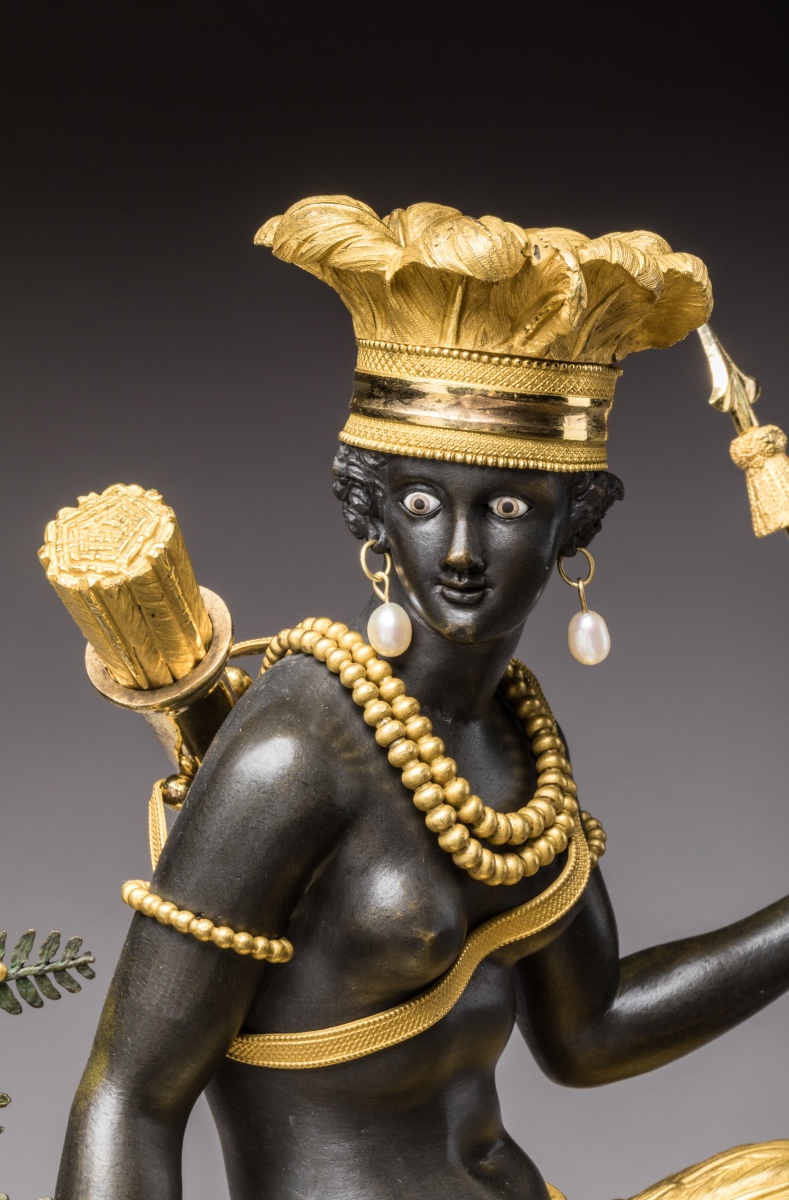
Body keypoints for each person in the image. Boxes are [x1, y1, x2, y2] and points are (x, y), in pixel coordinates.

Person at [55, 198, 789, 1199]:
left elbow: (590, 1030)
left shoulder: (516, 740)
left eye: (505, 506)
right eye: (418, 501)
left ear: (572, 529)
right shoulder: (294, 748)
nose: (458, 550)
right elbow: (128, 1095)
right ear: (374, 518)